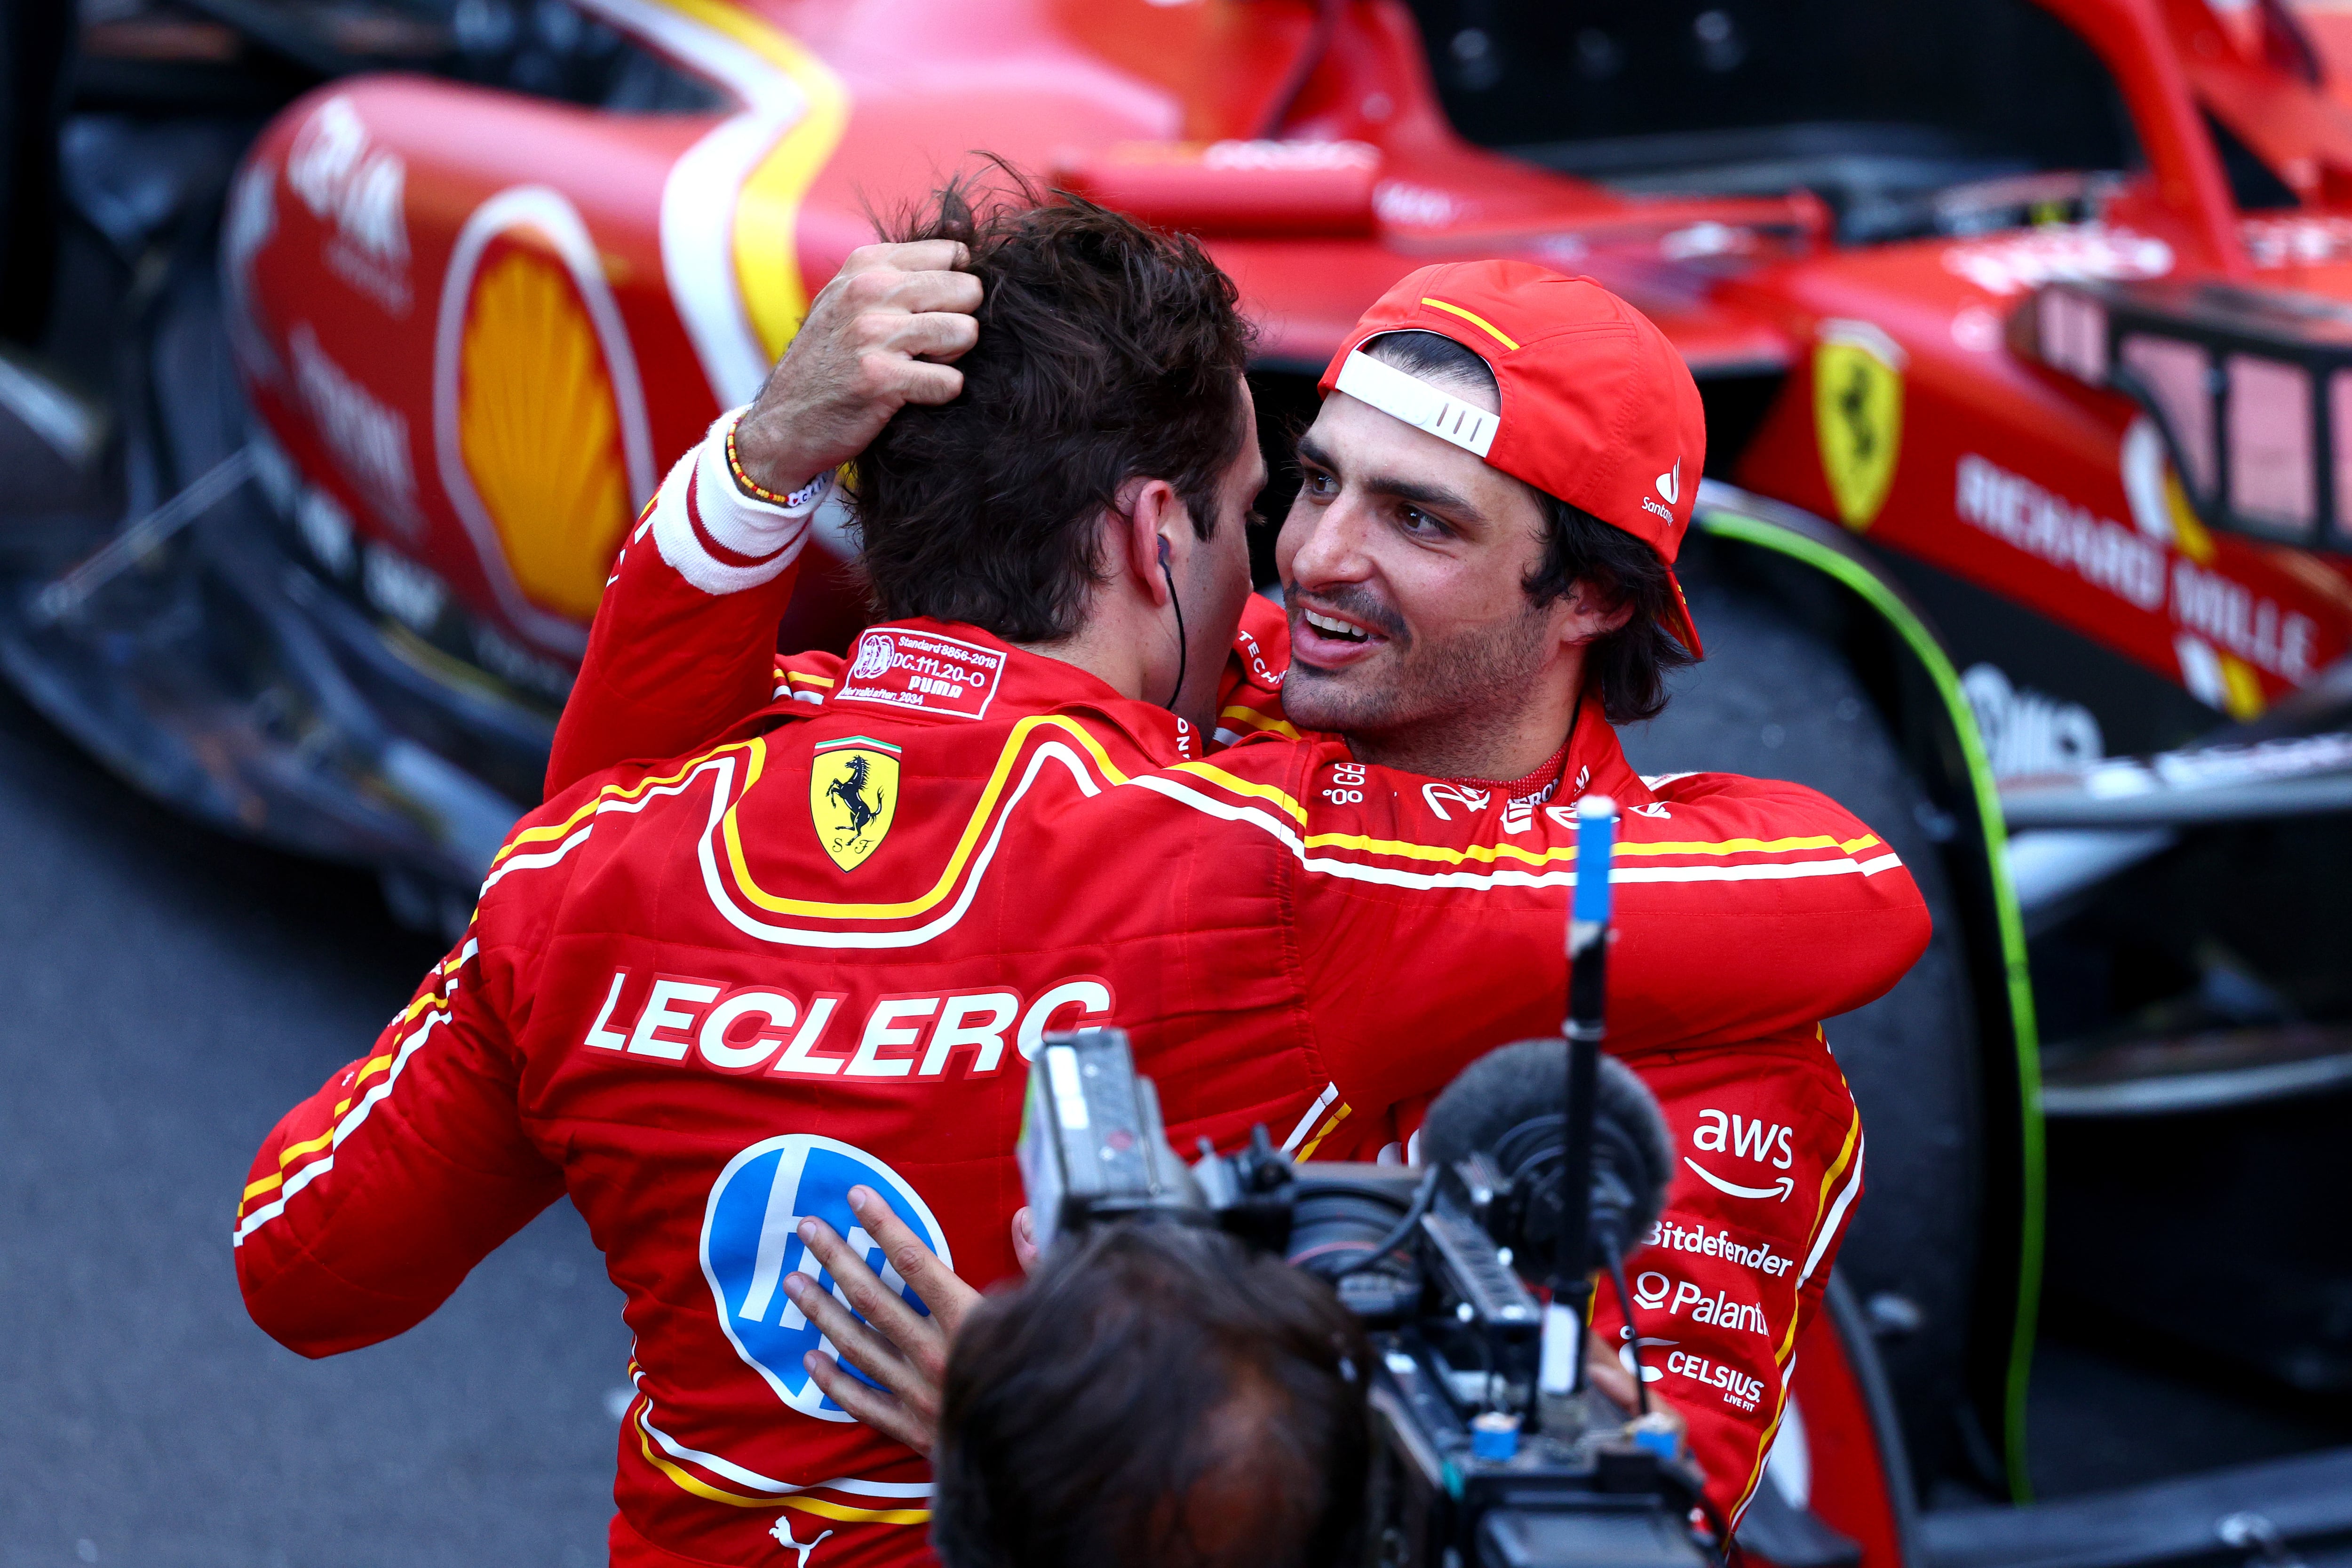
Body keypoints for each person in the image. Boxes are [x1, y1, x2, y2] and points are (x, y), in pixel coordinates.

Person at [235, 185, 1923, 1568]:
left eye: (1421, 522)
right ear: (1156, 537)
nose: (1319, 559)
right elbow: (646, 815)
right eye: (1313, 482)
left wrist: (1074, 1409)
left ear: (1597, 600)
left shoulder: (1700, 1047)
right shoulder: (1214, 707)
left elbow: (1610, 1532)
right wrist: (755, 474)